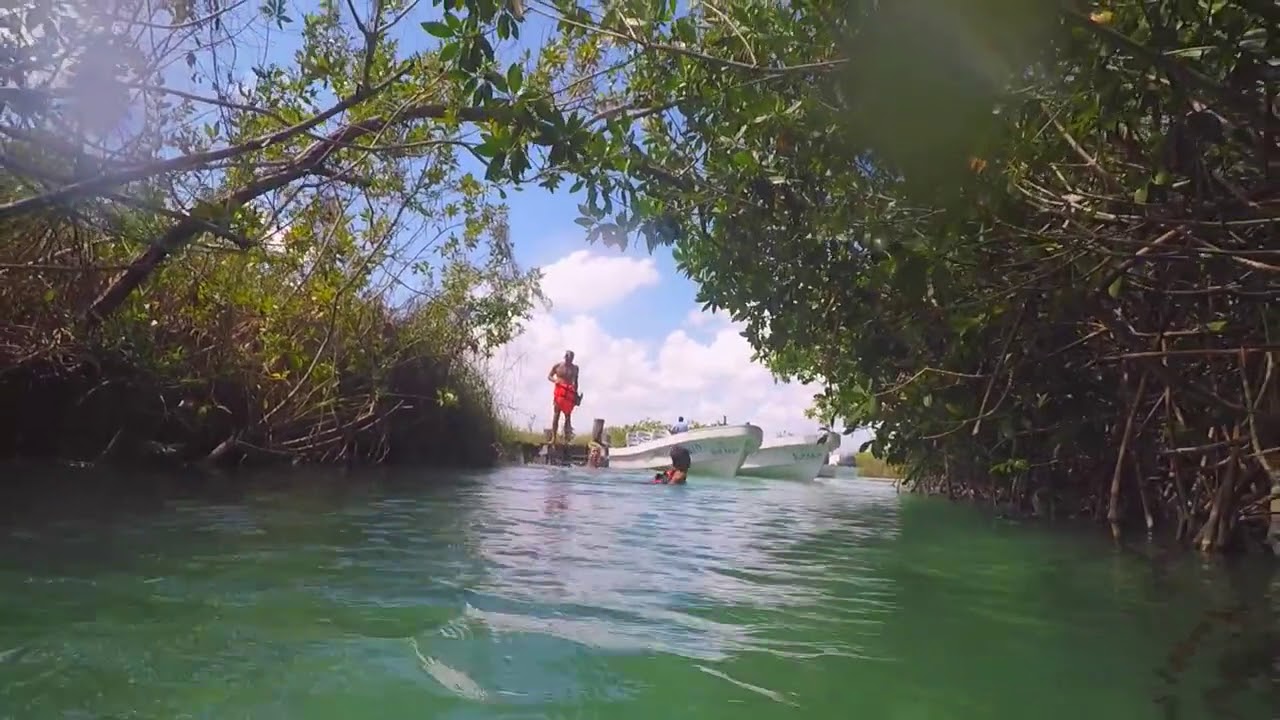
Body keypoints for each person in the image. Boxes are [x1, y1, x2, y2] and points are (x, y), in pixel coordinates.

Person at [547, 350, 579, 444]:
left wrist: (576, 394)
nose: (569, 360)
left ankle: (567, 438)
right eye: (568, 358)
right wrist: (555, 380)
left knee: (568, 416)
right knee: (556, 414)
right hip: (559, 392)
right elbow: (549, 376)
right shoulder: (558, 366)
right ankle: (554, 438)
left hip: (569, 393)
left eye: (571, 358)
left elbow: (576, 381)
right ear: (565, 357)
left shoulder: (575, 368)